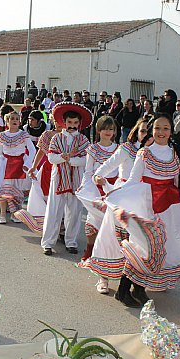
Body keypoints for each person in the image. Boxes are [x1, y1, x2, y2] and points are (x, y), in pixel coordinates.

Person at [85, 113, 180, 307]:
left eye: (165, 128)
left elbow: (179, 181)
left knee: (159, 250)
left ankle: (139, 288)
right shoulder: (144, 153)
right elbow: (133, 180)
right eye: (157, 128)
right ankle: (123, 291)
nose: (161, 132)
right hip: (147, 206)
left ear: (171, 131)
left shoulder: (174, 153)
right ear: (152, 130)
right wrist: (115, 194)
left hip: (168, 207)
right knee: (142, 248)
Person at [83, 118, 149, 293]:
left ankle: (139, 279)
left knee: (138, 242)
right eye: (143, 131)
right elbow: (105, 167)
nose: (147, 135)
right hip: (121, 197)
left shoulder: (155, 152)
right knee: (111, 238)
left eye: (150, 131)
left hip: (142, 200)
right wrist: (98, 177)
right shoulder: (127, 149)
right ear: (136, 131)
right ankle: (103, 278)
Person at [41, 102, 92, 256]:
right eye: (69, 122)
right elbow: (50, 157)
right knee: (53, 211)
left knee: (74, 212)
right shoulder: (56, 138)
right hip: (58, 180)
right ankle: (48, 243)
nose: (72, 126)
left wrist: (70, 160)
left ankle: (71, 242)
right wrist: (62, 158)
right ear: (64, 122)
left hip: (76, 180)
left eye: (75, 123)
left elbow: (85, 160)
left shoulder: (83, 140)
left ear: (79, 124)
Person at [75, 116, 117, 274]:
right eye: (105, 128)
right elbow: (88, 172)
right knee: (93, 222)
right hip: (95, 189)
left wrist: (115, 187)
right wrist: (85, 186)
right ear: (98, 130)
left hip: (112, 189)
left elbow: (120, 171)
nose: (108, 132)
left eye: (111, 129)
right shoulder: (92, 149)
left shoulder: (118, 149)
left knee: (111, 224)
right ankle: (89, 251)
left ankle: (107, 256)